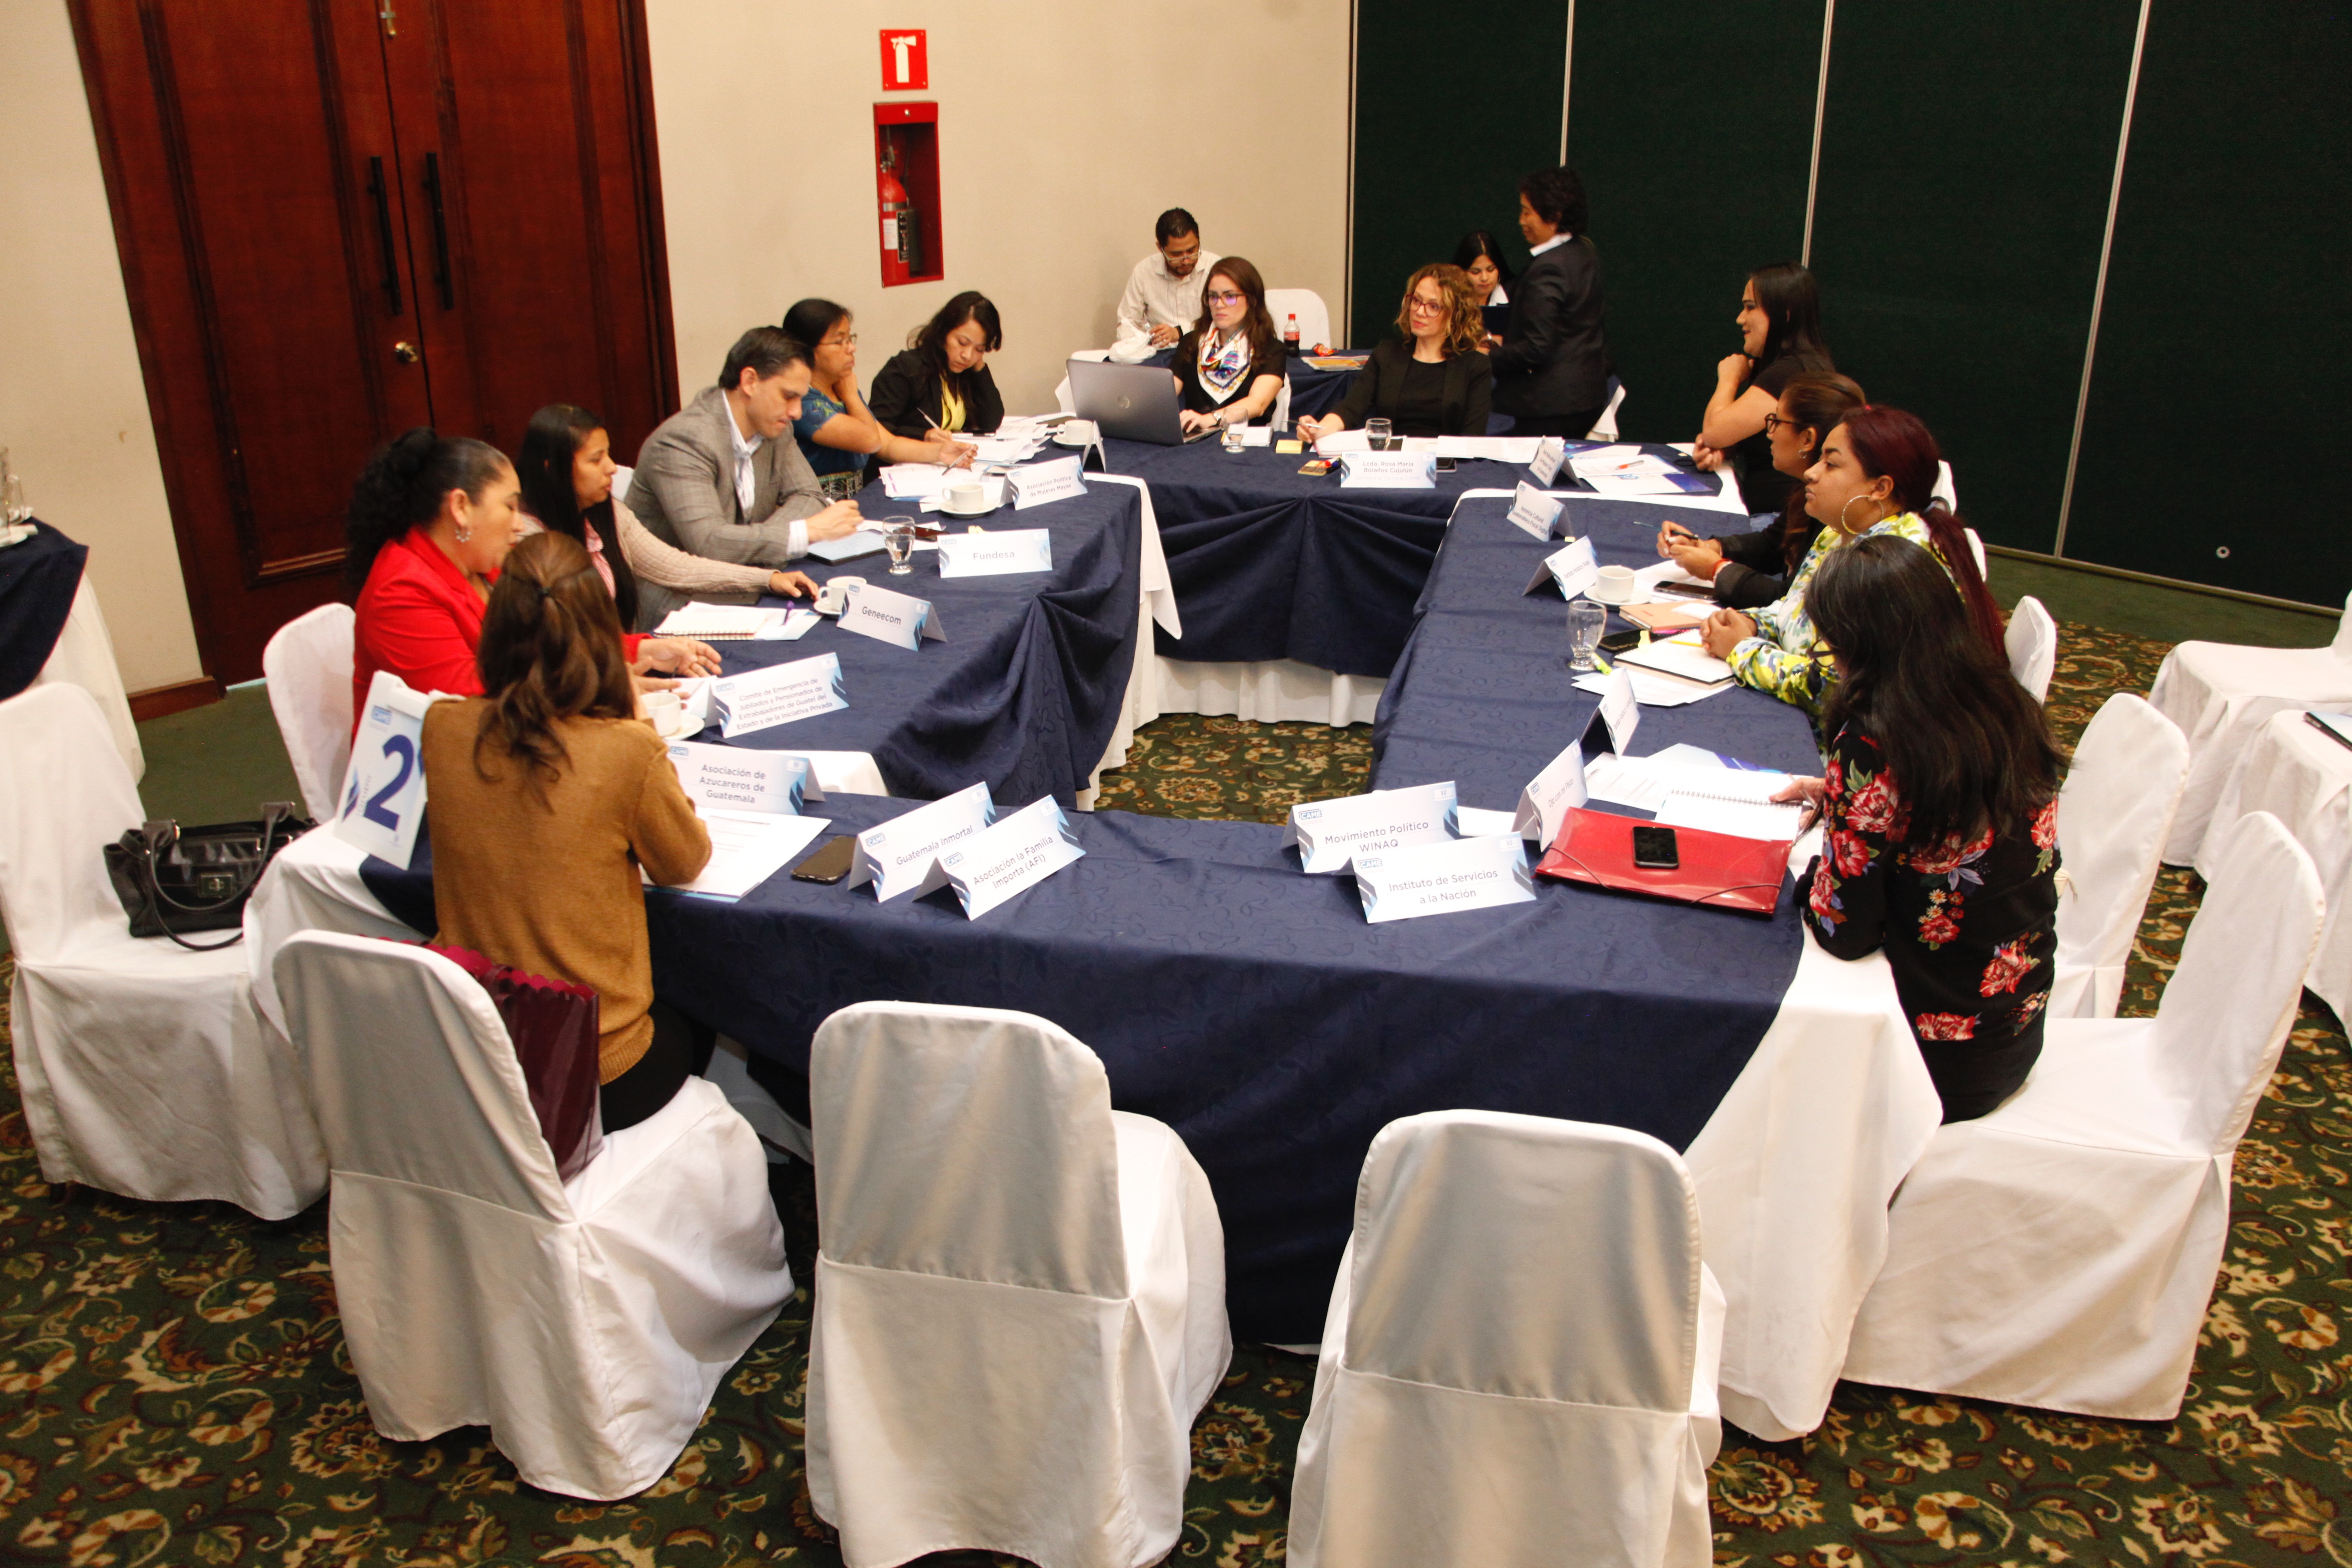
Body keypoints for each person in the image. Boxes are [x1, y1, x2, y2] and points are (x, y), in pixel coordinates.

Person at [418, 530, 718, 1132]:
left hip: (472, 1048)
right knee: (716, 1001)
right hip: (597, 1069)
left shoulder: (441, 727)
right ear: (603, 639)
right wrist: (641, 727)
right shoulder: (623, 750)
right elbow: (686, 861)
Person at [1777, 533, 2063, 1122]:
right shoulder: (2004, 702)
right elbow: (1946, 825)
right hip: (2014, 1026)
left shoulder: (1874, 735)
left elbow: (1844, 930)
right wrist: (1843, 804)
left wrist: (1811, 869)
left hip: (1927, 1065)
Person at [347, 428, 717, 723]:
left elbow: (553, 639)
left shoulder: (480, 565)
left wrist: (639, 650)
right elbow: (470, 700)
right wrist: (602, 685)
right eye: (509, 507)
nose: (517, 524)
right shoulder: (399, 591)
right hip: (442, 782)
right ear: (460, 507)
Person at [1700, 405, 2001, 725]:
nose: (1811, 473)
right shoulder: (1840, 532)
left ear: (1879, 489)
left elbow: (1834, 693)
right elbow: (1794, 612)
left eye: (1831, 464)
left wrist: (1743, 651)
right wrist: (1751, 624)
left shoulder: (1887, 567)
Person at [625, 328, 861, 625]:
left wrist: (757, 548)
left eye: (801, 399)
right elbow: (709, 543)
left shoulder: (775, 426)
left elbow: (809, 496)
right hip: (681, 604)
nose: (797, 412)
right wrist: (803, 533)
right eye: (789, 396)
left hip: (757, 581)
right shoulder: (683, 442)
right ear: (749, 381)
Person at [518, 404, 821, 634]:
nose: (611, 468)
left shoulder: (609, 514)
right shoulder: (526, 541)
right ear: (551, 468)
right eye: (596, 460)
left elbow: (676, 567)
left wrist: (767, 579)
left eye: (608, 455)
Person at [1654, 371, 1866, 610]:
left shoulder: (1836, 509)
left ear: (1807, 439)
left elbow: (1791, 606)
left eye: (1777, 422)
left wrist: (1717, 569)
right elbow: (1773, 545)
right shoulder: (1808, 491)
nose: (1769, 432)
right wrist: (1709, 547)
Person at [781, 298, 974, 491]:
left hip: (856, 504)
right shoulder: (803, 402)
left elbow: (888, 445)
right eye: (840, 341)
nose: (851, 348)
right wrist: (852, 397)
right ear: (807, 350)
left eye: (850, 339)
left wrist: (940, 452)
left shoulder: (841, 389)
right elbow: (870, 442)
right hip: (821, 510)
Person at [1691, 263, 1835, 516]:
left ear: (1785, 313)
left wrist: (1729, 379)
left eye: (1750, 308)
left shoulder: (1791, 372)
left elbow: (1714, 431)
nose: (1740, 319)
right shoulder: (1791, 364)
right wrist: (1724, 450)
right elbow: (1739, 438)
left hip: (1775, 518)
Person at [1295, 265, 1492, 441]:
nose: (1420, 311)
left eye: (1433, 306)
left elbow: (1473, 439)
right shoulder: (1387, 354)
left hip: (1449, 467)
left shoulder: (1475, 366)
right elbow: (1351, 408)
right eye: (1416, 301)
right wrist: (1318, 430)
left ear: (1455, 314)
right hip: (1393, 463)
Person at [1486, 167, 1610, 438]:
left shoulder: (1548, 268)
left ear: (1554, 218)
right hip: (1586, 397)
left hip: (1549, 407)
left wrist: (1487, 354)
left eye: (1527, 211)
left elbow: (1536, 348)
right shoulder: (1584, 252)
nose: (1521, 220)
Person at [1171, 256, 1287, 433]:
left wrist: (1211, 419)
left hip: (1246, 441)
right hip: (1195, 439)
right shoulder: (1191, 342)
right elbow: (1166, 395)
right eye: (1213, 297)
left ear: (1252, 300)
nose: (1219, 305)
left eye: (1230, 297)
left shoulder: (1271, 349)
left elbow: (1258, 404)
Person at [869, 291, 1006, 441]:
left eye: (979, 349)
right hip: (905, 462)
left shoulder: (965, 372)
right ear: (944, 332)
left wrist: (979, 366)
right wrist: (924, 436)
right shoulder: (907, 368)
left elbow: (991, 422)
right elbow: (876, 428)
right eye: (962, 343)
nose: (967, 355)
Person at [1110, 208, 1220, 363]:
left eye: (1192, 251)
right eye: (1176, 254)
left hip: (1206, 353)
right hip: (1159, 356)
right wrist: (1142, 339)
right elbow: (1127, 322)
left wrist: (1181, 333)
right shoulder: (1144, 272)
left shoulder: (1216, 269)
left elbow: (1228, 322)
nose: (1187, 260)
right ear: (1160, 248)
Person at [1453, 231, 1514, 308]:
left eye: (1491, 270)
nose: (1484, 278)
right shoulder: (1449, 301)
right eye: (1475, 272)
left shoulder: (1516, 297)